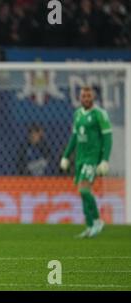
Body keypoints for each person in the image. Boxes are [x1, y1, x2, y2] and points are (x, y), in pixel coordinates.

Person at [60, 86, 112, 238]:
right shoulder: (77, 114)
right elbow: (74, 137)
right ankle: (89, 227)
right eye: (84, 96)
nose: (86, 99)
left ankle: (97, 220)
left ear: (93, 97)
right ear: (79, 97)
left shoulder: (99, 114)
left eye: (89, 96)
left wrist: (104, 160)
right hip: (80, 158)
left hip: (92, 157)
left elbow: (107, 138)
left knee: (83, 189)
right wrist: (65, 156)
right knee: (83, 193)